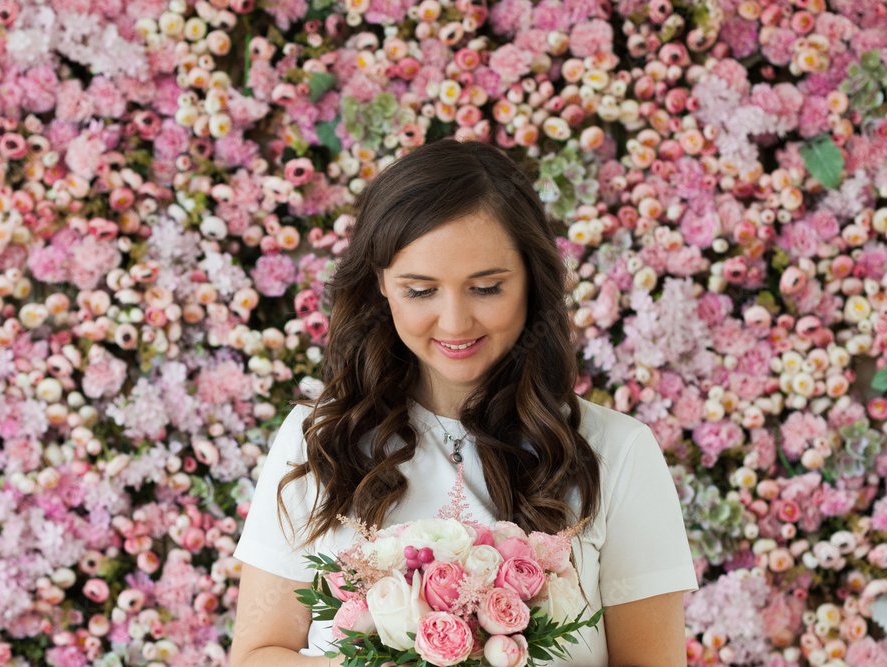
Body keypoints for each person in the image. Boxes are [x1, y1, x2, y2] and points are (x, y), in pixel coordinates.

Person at [229, 138, 699, 667]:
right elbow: (256, 654)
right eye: (421, 290)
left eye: (486, 288)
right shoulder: (316, 441)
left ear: (531, 279)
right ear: (381, 283)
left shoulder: (619, 451)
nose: (454, 324)